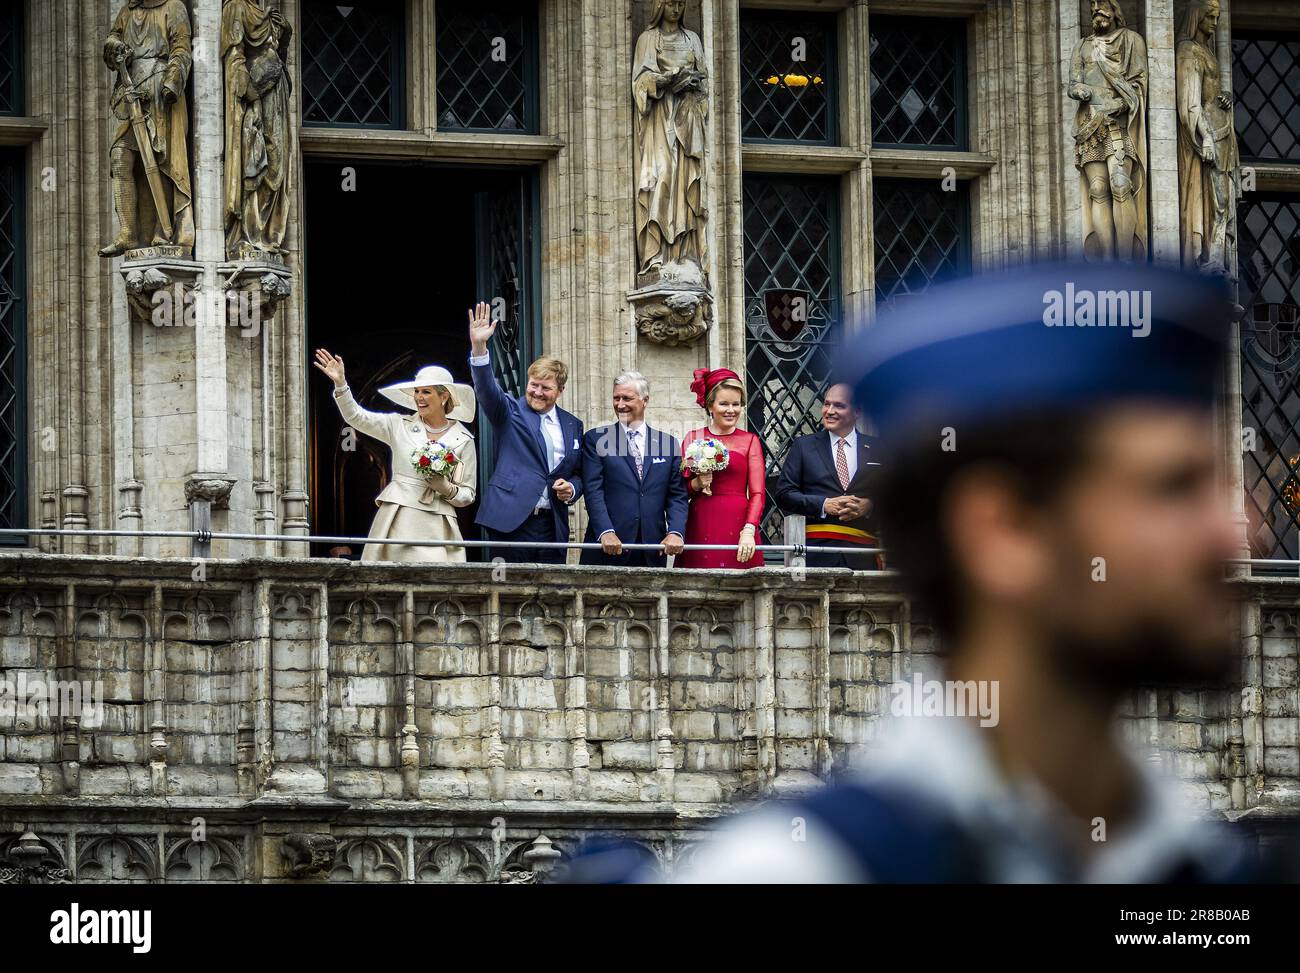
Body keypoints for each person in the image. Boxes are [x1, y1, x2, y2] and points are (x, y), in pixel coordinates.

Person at [675, 262, 1280, 883]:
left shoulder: (1208, 870)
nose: (1236, 530)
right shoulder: (802, 871)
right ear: (1005, 530)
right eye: (1172, 487)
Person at [313, 350, 477, 563]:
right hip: (399, 517)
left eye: (426, 392)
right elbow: (356, 417)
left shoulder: (464, 439)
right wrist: (341, 385)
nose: (419, 397)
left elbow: (468, 493)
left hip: (438, 522)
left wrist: (445, 487)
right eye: (417, 391)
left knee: (435, 585)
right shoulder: (398, 425)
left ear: (444, 396)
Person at [467, 302, 584, 563]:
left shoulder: (573, 424)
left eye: (546, 388)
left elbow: (577, 473)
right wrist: (479, 347)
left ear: (560, 391)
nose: (537, 392)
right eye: (534, 385)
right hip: (511, 522)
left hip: (552, 525)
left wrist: (572, 489)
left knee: (550, 594)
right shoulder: (509, 411)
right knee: (507, 593)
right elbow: (486, 388)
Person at [580, 372, 688, 567]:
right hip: (607, 548)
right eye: (616, 398)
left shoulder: (668, 443)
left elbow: (677, 495)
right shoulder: (595, 439)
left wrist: (675, 532)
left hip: (652, 550)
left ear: (645, 400)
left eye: (627, 398)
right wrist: (606, 531)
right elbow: (593, 491)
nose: (620, 404)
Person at [773, 383, 882, 570]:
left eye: (839, 405)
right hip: (815, 554)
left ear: (857, 411)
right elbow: (784, 494)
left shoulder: (878, 448)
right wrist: (824, 505)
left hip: (863, 555)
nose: (829, 411)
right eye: (826, 404)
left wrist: (869, 506)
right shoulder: (803, 446)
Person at [679, 368, 765, 569]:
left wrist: (749, 529)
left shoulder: (750, 440)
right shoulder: (694, 438)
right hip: (702, 521)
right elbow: (678, 491)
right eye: (724, 404)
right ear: (710, 405)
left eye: (736, 404)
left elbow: (758, 493)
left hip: (739, 523)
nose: (731, 410)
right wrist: (697, 483)